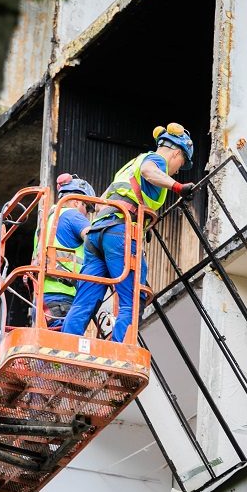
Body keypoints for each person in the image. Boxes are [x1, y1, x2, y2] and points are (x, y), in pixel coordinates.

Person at [62, 123, 196, 342]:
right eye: (182, 162)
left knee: (85, 301)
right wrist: (178, 187)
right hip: (119, 233)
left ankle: (64, 350)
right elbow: (148, 172)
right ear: (176, 153)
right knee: (133, 300)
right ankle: (118, 356)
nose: (179, 169)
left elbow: (99, 204)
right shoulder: (156, 161)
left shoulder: (127, 167)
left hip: (97, 234)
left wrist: (143, 221)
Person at [32, 174, 96, 329]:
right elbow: (95, 240)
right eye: (87, 209)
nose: (87, 215)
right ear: (77, 202)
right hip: (62, 299)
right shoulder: (72, 214)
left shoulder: (46, 222)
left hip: (42, 299)